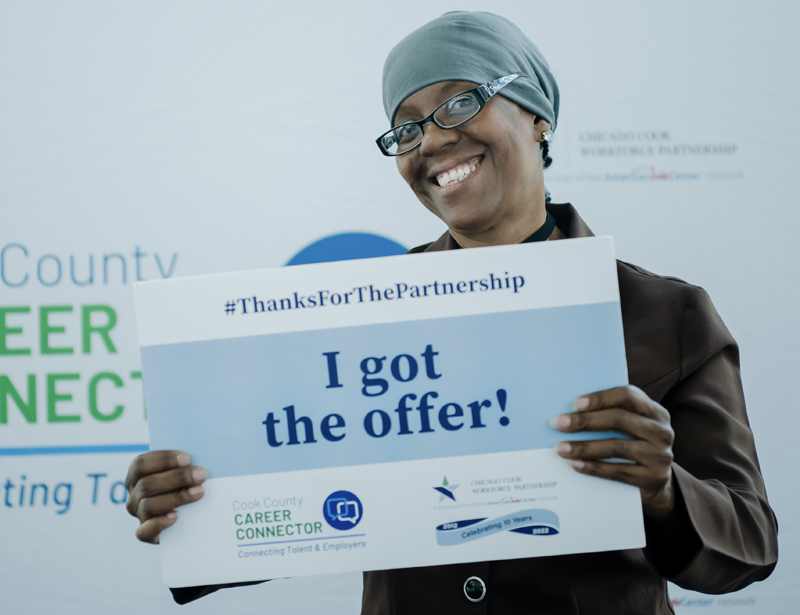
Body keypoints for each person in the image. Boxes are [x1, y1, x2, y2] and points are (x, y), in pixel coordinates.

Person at [125, 11, 778, 614]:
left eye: (461, 102)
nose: (432, 139)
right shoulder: (359, 316)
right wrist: (190, 506)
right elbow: (294, 507)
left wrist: (663, 491)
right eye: (407, 125)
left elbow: (749, 541)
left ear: (538, 116)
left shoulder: (670, 313)